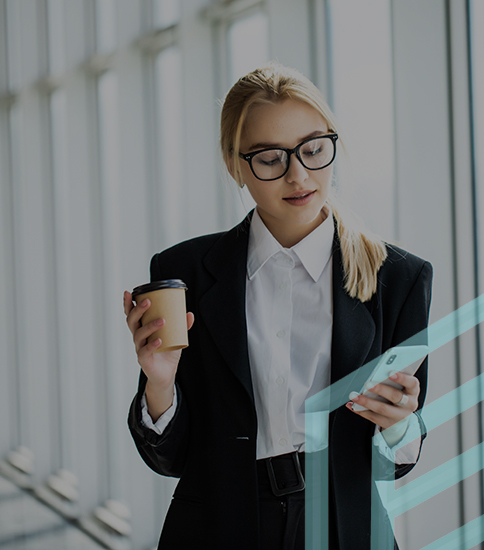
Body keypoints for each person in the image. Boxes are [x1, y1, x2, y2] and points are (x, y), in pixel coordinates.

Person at [124, 63, 433, 550]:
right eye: (270, 158)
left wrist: (398, 424)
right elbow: (173, 459)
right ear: (235, 164)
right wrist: (160, 383)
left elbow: (393, 464)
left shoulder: (397, 278)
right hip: (217, 528)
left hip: (343, 528)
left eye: (313, 150)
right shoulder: (188, 270)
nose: (298, 175)